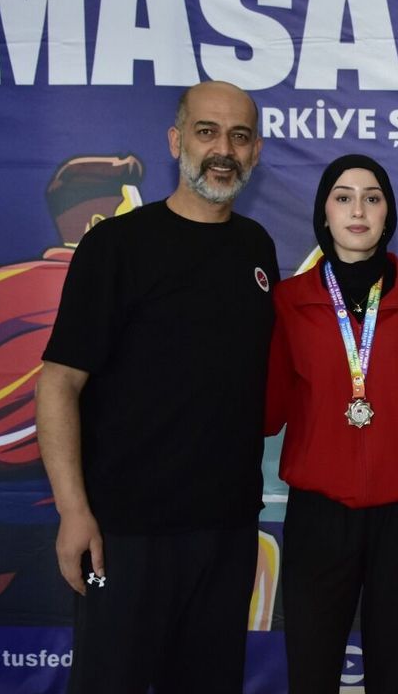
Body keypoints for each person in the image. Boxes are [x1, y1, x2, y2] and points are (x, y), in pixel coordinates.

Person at [36, 81, 276, 692]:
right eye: (206, 132)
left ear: (255, 152)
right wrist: (73, 511)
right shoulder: (116, 245)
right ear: (176, 141)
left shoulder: (256, 248)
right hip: (125, 534)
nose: (223, 150)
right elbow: (58, 382)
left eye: (239, 137)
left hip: (225, 531)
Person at [265, 154, 398, 693]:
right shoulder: (288, 303)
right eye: (343, 197)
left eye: (372, 198)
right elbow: (268, 409)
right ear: (324, 214)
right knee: (311, 667)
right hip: (319, 512)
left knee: (396, 668)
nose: (358, 210)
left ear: (388, 214)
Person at [0, 154, 143, 625]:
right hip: (70, 494)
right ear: (96, 223)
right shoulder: (121, 292)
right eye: (133, 212)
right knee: (112, 602)